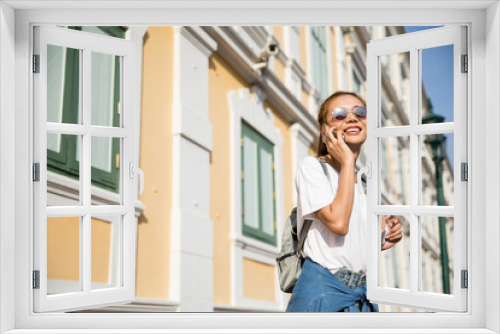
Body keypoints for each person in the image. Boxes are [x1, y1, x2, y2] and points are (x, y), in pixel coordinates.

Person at [286, 91, 403, 312]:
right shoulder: (312, 167)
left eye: (360, 112)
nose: (352, 118)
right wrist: (348, 161)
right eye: (339, 115)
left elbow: (346, 246)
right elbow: (338, 224)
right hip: (324, 291)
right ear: (324, 131)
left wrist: (381, 240)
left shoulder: (362, 184)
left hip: (361, 295)